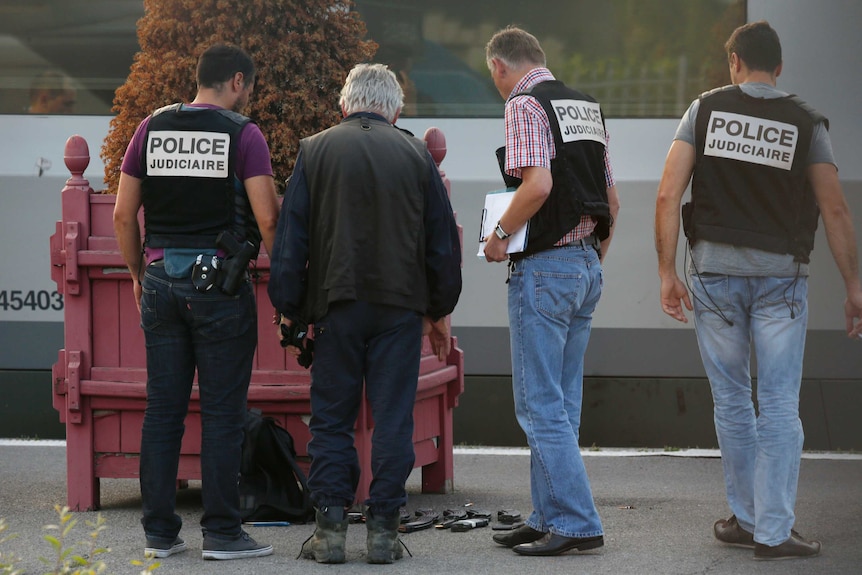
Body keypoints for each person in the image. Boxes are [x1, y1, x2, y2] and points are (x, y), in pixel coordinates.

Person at [655, 21, 862, 560]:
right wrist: (854, 285)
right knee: (777, 402)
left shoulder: (703, 111)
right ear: (780, 67)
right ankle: (772, 530)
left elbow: (666, 194)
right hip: (780, 281)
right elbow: (835, 209)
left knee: (731, 400)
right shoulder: (806, 122)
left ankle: (746, 519)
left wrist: (665, 274)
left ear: (734, 63)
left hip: (714, 276)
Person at [268, 63, 462, 565]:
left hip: (337, 306)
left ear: (344, 106)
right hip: (401, 310)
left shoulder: (316, 149)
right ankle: (383, 533)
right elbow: (442, 245)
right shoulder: (418, 154)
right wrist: (438, 309)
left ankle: (330, 531)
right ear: (395, 110)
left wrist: (288, 308)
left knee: (332, 420)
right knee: (393, 418)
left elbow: (292, 242)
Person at [113, 43, 280, 561]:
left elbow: (123, 215)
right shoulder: (243, 134)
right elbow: (269, 219)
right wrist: (293, 285)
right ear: (236, 80)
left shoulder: (150, 128)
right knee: (222, 413)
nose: (247, 98)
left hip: (161, 280)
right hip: (219, 289)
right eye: (248, 87)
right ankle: (223, 534)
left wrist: (140, 272)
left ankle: (159, 534)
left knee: (162, 411)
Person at [483, 27, 620, 557]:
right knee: (561, 403)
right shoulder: (585, 105)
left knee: (539, 405)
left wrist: (498, 237)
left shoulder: (524, 103)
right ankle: (547, 515)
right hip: (585, 265)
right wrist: (589, 261)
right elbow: (611, 197)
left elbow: (537, 185)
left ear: (499, 65)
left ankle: (577, 522)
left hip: (545, 267)